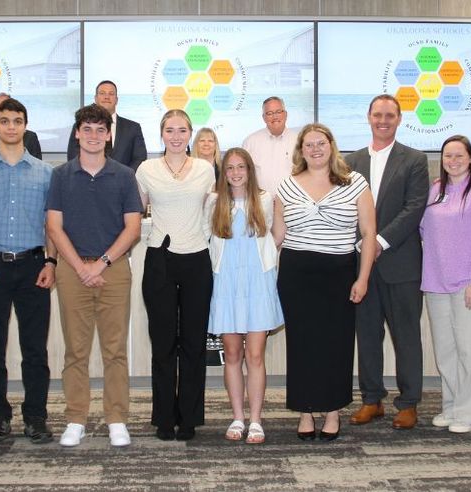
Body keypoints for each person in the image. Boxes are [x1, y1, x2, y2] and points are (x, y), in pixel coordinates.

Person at [47, 104, 143, 448]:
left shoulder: (124, 176)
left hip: (113, 270)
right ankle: (76, 419)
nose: (92, 136)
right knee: (76, 350)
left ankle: (117, 418)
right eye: (86, 129)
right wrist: (80, 267)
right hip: (72, 271)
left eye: (100, 130)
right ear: (77, 134)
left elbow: (132, 229)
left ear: (108, 136)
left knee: (114, 350)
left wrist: (100, 264)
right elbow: (54, 228)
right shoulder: (60, 175)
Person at [273, 123, 376, 442]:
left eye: (321, 143)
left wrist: (363, 278)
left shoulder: (355, 183)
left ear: (331, 145)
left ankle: (332, 412)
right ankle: (305, 412)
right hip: (296, 273)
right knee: (302, 345)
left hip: (339, 273)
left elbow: (369, 234)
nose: (315, 149)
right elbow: (277, 237)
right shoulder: (286, 186)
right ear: (300, 151)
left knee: (337, 345)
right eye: (308, 145)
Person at [0, 98, 57, 445]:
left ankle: (36, 417)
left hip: (35, 267)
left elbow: (52, 225)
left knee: (35, 349)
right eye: (4, 121)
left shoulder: (45, 172)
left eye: (17, 121)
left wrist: (51, 262)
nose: (11, 127)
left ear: (25, 126)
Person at [344, 94, 430, 430]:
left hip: (401, 263)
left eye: (390, 115)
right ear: (368, 117)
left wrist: (377, 241)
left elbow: (414, 208)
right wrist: (360, 245)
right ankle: (372, 400)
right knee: (366, 335)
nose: (383, 120)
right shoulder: (350, 161)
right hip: (361, 267)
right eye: (378, 114)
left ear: (399, 119)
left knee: (406, 335)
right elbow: (345, 209)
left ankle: (408, 403)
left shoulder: (415, 159)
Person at [136, 109, 215, 441]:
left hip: (197, 259)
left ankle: (190, 419)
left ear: (190, 133)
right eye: (170, 130)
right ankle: (164, 418)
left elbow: (211, 212)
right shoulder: (146, 170)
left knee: (194, 345)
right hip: (160, 261)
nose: (176, 136)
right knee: (164, 345)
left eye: (182, 130)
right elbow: (139, 211)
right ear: (162, 134)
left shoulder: (205, 169)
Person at [420, 135, 471, 434]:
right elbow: (424, 228)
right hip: (436, 280)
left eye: (458, 156)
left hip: (470, 281)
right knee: (446, 350)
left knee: (470, 349)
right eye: (447, 156)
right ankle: (451, 406)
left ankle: (470, 413)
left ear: (470, 158)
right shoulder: (435, 190)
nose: (452, 161)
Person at [205, 147, 283, 444]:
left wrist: (264, 269)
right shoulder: (214, 202)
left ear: (250, 171)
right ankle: (238, 417)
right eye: (230, 168)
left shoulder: (265, 199)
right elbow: (205, 236)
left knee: (255, 355)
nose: (236, 173)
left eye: (241, 167)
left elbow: (278, 235)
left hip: (257, 284)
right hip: (226, 285)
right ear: (223, 174)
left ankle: (256, 420)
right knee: (233, 354)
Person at [66, 80, 147, 170]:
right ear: (96, 98)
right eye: (102, 93)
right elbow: (73, 156)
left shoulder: (133, 128)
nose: (106, 97)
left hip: (122, 182)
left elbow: (140, 159)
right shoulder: (81, 126)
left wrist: (124, 177)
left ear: (116, 100)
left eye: (111, 94)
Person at [242, 96, 297, 194]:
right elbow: (244, 176)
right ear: (263, 117)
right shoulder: (250, 142)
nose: (275, 117)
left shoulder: (299, 141)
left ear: (285, 114)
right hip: (260, 203)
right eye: (269, 113)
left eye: (278, 112)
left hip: (292, 204)